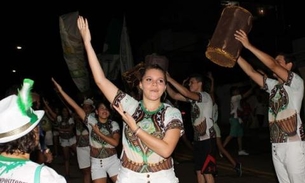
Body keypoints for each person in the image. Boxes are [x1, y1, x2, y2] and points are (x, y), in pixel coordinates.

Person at [77, 16, 184, 183]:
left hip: (162, 178)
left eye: (160, 81)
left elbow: (166, 150)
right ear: (140, 84)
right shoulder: (129, 105)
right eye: (149, 79)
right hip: (129, 177)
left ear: (164, 87)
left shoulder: (172, 112)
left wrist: (136, 129)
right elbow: (101, 80)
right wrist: (87, 43)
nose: (154, 84)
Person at [234, 29, 305, 182]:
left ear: (289, 65)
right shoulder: (273, 86)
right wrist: (235, 55)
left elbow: (272, 65)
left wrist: (248, 46)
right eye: (276, 61)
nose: (274, 63)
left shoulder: (296, 83)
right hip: (276, 145)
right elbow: (251, 72)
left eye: (279, 61)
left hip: (293, 145)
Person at [52, 78, 121, 183]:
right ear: (96, 112)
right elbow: (75, 106)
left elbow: (115, 143)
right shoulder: (91, 121)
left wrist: (98, 133)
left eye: (106, 109)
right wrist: (61, 91)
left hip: (112, 161)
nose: (104, 110)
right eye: (102, 108)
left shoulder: (113, 124)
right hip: (97, 163)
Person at [0, 78, 66, 183]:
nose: (38, 103)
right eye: (37, 101)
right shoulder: (44, 177)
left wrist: (45, 149)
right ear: (34, 133)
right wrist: (44, 151)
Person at [166, 72, 216, 183]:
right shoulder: (193, 99)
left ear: (200, 83)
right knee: (199, 171)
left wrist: (170, 79)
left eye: (192, 82)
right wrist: (165, 83)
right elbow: (174, 95)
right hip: (198, 140)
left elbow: (187, 93)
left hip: (208, 140)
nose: (189, 84)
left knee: (207, 171)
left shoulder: (205, 96)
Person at [207, 72, 242, 177]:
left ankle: (217, 168)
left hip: (212, 127)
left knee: (213, 149)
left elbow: (212, 92)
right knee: (217, 149)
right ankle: (234, 164)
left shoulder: (212, 103)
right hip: (213, 127)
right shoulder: (211, 104)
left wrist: (212, 80)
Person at [222, 84, 253, 156]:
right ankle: (222, 149)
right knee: (231, 135)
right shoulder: (234, 98)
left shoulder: (236, 99)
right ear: (233, 92)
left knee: (240, 135)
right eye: (237, 90)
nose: (238, 91)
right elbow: (245, 95)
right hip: (234, 119)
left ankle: (240, 150)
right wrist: (253, 87)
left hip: (237, 118)